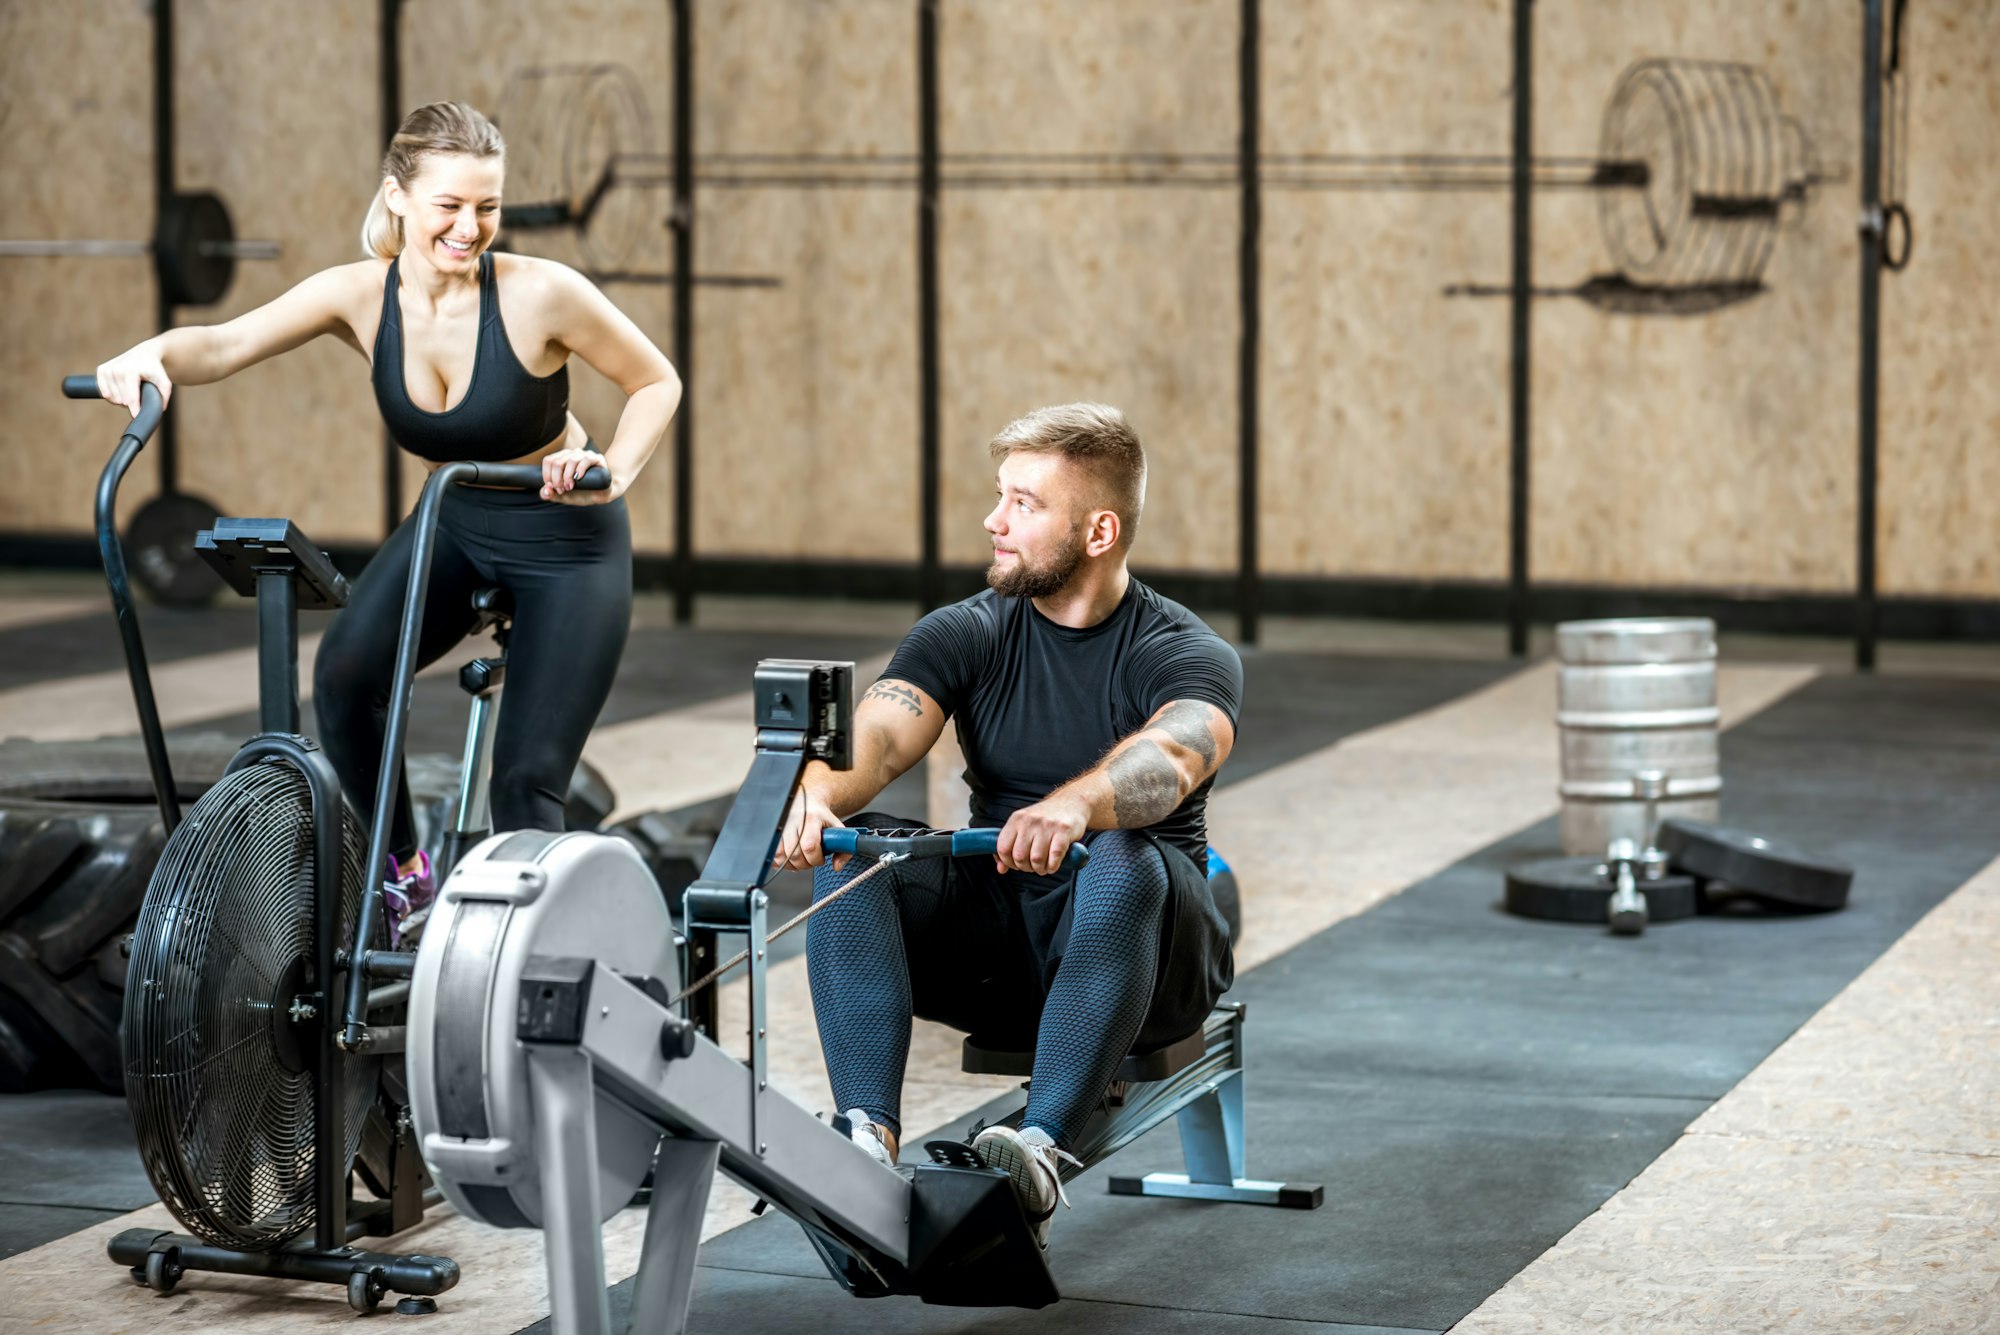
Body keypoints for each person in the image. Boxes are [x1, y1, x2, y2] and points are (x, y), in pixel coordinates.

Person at [93, 101, 680, 938]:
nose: (470, 228)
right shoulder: (360, 295)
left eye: (488, 207)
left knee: (525, 783)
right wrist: (150, 353)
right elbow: (222, 345)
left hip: (566, 541)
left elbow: (657, 382)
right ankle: (406, 876)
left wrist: (612, 471)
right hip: (456, 518)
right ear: (398, 197)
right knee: (344, 678)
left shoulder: (542, 293)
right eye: (449, 205)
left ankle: (533, 967)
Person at [776, 402, 1240, 1250]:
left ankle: (1041, 1151)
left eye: (1024, 503)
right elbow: (880, 736)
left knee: (1126, 852)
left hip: (1148, 962)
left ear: (1098, 530)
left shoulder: (1184, 649)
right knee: (862, 849)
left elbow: (1176, 754)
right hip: (1003, 954)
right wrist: (814, 792)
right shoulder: (969, 630)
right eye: (1000, 495)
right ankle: (865, 1142)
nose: (994, 521)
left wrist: (1078, 803)